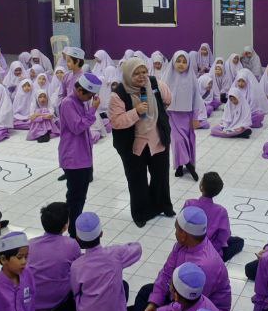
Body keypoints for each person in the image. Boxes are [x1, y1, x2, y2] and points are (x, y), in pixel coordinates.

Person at [108, 57, 175, 227]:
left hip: (157, 139)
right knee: (137, 180)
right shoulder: (118, 94)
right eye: (136, 73)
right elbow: (116, 121)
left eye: (144, 72)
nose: (141, 76)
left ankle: (161, 206)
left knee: (160, 176)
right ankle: (141, 213)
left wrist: (157, 112)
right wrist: (136, 112)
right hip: (133, 144)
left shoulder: (155, 84)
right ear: (128, 74)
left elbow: (168, 99)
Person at [135, 207, 231, 311]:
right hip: (180, 295)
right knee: (146, 292)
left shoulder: (206, 266)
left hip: (200, 310)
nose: (175, 233)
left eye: (176, 229)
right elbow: (166, 273)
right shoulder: (183, 244)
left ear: (184, 235)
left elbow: (190, 304)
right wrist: (154, 303)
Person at [70, 212, 142, 311]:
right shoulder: (115, 254)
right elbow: (137, 248)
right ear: (101, 233)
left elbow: (76, 291)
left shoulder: (76, 266)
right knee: (124, 286)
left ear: (78, 238)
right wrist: (118, 248)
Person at [57, 73, 101, 238]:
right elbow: (77, 127)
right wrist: (93, 109)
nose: (91, 99)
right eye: (90, 95)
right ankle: (72, 232)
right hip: (73, 158)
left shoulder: (80, 101)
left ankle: (74, 228)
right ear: (81, 90)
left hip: (83, 157)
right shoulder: (68, 103)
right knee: (75, 197)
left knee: (80, 196)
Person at [28, 203, 80, 311]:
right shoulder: (71, 245)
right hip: (58, 303)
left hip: (31, 302)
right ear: (65, 226)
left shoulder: (30, 244)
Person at [183, 172, 242, 262]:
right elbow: (225, 235)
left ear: (201, 187)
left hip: (188, 245)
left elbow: (180, 225)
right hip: (210, 250)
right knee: (239, 241)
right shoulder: (221, 211)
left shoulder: (189, 203)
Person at [164, 51, 202, 181]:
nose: (181, 64)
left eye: (184, 62)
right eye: (178, 61)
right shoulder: (167, 77)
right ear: (173, 62)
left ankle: (180, 166)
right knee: (177, 141)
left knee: (187, 141)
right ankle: (188, 165)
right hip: (171, 116)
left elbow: (196, 99)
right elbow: (161, 97)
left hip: (187, 116)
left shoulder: (192, 78)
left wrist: (196, 118)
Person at [0, 232, 35, 311]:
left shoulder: (27, 273)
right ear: (3, 259)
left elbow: (31, 303)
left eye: (26, 257)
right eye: (19, 257)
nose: (24, 262)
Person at [146, 262, 219, 311]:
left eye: (170, 285)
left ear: (176, 296)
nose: (169, 286)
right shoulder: (190, 300)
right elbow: (175, 308)